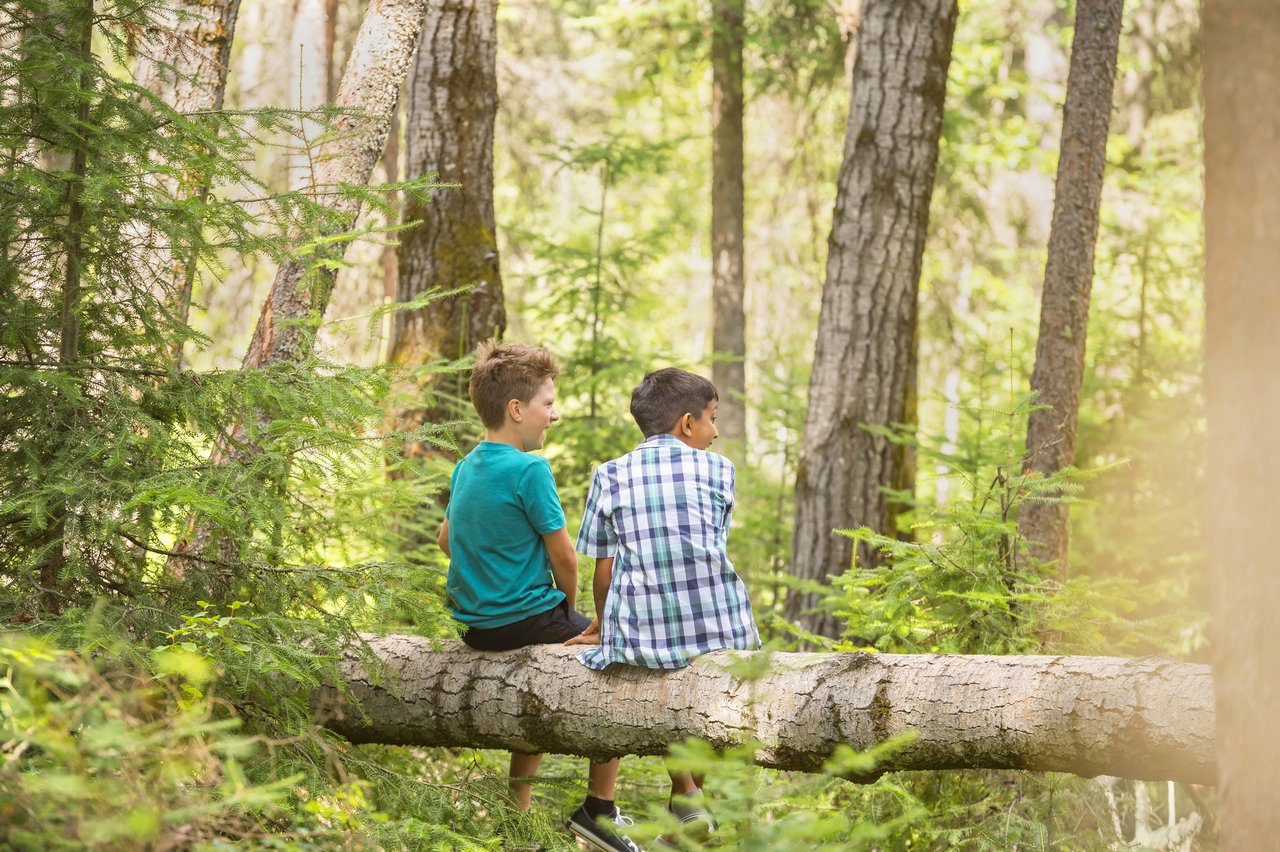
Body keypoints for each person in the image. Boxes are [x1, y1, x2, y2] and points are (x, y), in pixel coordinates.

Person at [438, 340, 642, 852]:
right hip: (525, 620)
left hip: (476, 627)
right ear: (516, 409)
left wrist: (485, 573)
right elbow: (565, 559)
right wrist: (570, 613)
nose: (555, 414)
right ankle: (599, 810)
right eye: (548, 404)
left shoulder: (466, 466)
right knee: (615, 656)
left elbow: (445, 541)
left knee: (538, 681)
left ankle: (517, 814)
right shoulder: (530, 470)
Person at [567, 367, 761, 844]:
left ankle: (685, 802)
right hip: (722, 625)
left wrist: (604, 626)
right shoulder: (720, 470)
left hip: (643, 630)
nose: (716, 432)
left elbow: (603, 571)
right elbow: (706, 551)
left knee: (654, 669)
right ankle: (688, 802)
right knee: (697, 690)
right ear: (687, 423)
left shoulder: (609, 475)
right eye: (713, 419)